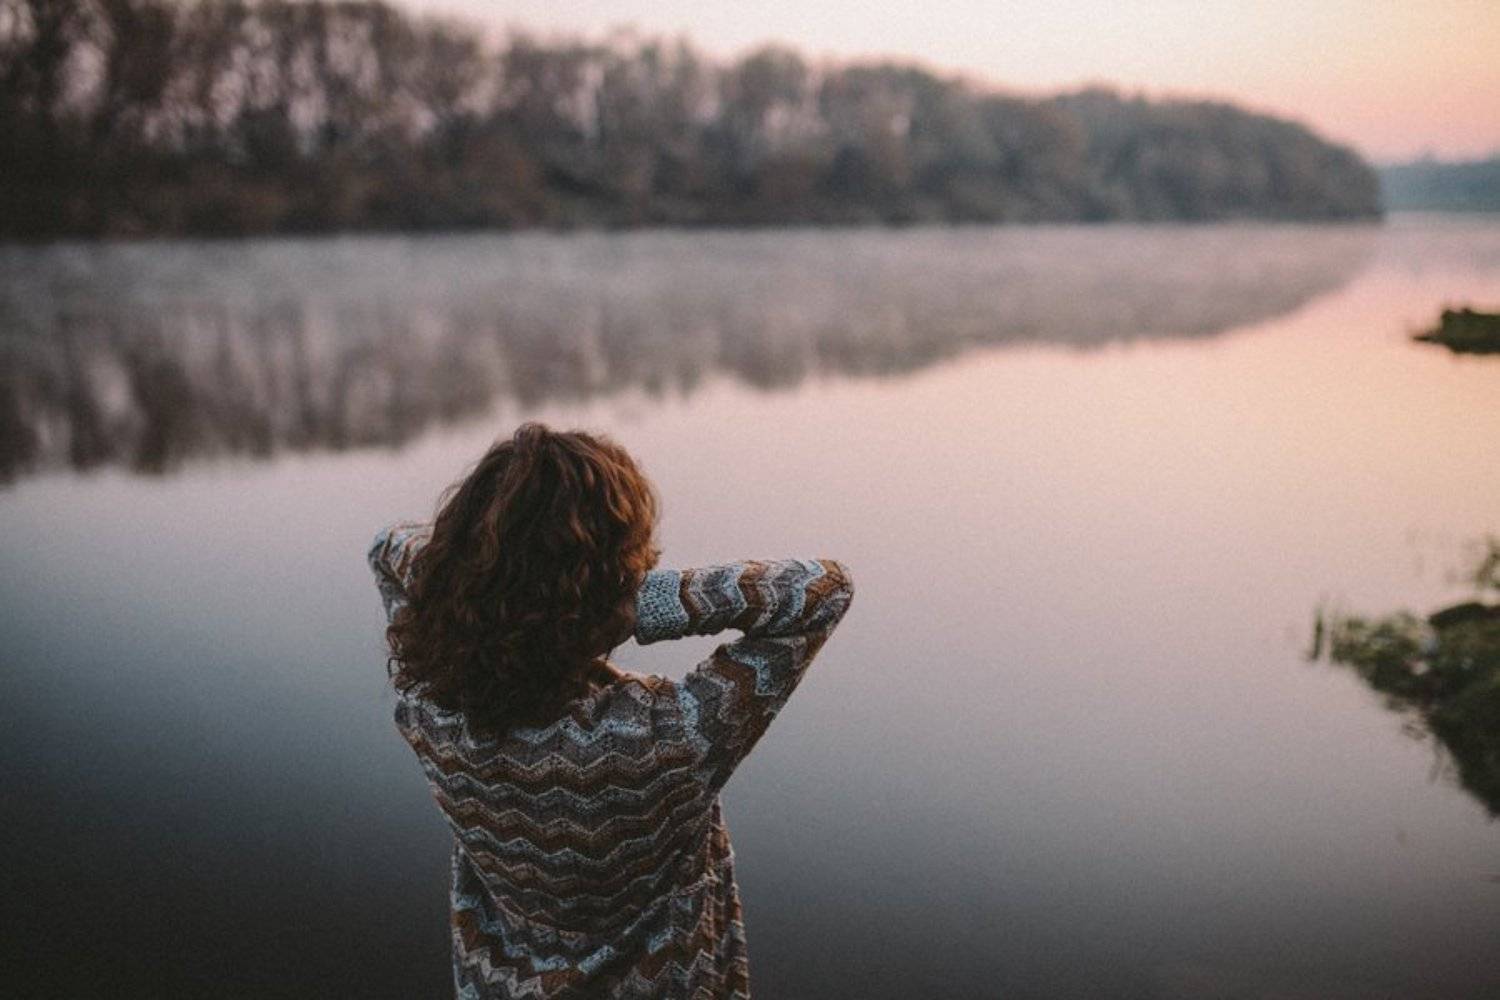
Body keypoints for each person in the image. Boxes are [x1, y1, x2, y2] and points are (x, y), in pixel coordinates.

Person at [367, 422, 855, 999]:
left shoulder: (429, 706)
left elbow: (387, 548)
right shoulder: (660, 740)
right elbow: (820, 591)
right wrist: (630, 607)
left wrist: (482, 582)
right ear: (614, 574)